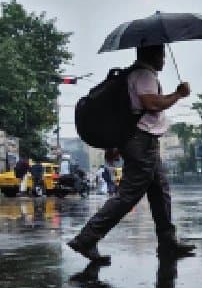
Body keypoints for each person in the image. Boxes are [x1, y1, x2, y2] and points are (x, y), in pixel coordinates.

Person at [68, 45, 195, 263]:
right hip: (142, 141)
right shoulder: (144, 75)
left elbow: (127, 113)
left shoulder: (131, 74)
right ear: (153, 55)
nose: (164, 61)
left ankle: (168, 241)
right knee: (129, 195)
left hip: (142, 141)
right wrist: (178, 94)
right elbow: (152, 104)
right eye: (162, 56)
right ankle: (87, 238)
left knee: (160, 191)